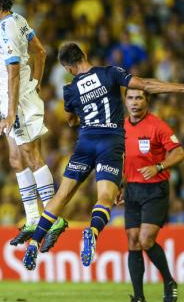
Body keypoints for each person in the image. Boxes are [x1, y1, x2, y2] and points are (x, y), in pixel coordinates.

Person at [23, 42, 184, 271]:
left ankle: (33, 243)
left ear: (68, 69)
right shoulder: (111, 73)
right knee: (106, 197)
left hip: (86, 141)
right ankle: (93, 231)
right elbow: (146, 85)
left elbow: (71, 120)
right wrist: (180, 88)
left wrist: (83, 111)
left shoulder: (70, 89)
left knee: (62, 195)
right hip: (111, 141)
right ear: (84, 55)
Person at [0, 0, 67, 249]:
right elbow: (40, 51)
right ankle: (32, 219)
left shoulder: (5, 31)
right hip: (13, 100)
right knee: (16, 159)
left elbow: (14, 70)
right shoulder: (17, 20)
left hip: (18, 103)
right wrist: (37, 82)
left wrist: (13, 110)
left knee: (30, 155)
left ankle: (53, 218)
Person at [119, 88, 183, 302]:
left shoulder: (158, 126)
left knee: (146, 240)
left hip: (155, 189)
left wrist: (159, 166)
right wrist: (119, 184)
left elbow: (179, 152)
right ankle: (138, 298)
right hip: (132, 189)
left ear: (146, 100)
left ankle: (169, 280)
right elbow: (121, 157)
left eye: (139, 98)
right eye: (130, 98)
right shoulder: (121, 127)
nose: (134, 102)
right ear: (125, 101)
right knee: (133, 240)